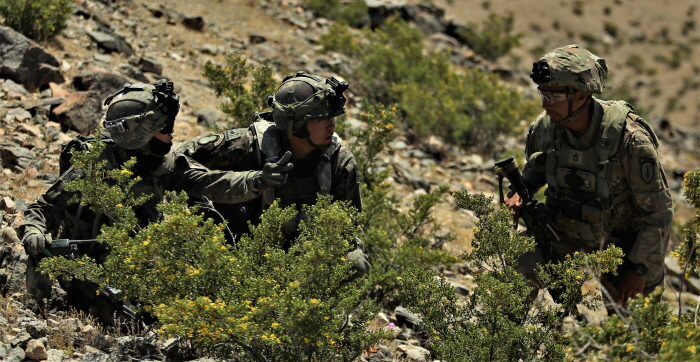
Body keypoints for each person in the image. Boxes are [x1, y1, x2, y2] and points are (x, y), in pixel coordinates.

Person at [19, 79, 258, 323]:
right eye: (164, 127)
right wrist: (35, 234)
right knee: (134, 323)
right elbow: (44, 209)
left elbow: (212, 182)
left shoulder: (163, 165)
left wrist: (257, 181)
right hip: (86, 268)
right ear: (139, 133)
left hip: (136, 268)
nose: (171, 132)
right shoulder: (94, 162)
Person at [505, 44, 673, 311]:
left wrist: (639, 268)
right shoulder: (544, 128)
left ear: (581, 95)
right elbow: (537, 167)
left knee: (635, 323)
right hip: (562, 232)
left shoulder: (629, 140)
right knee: (513, 275)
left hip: (623, 246)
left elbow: (658, 213)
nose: (544, 103)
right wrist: (521, 190)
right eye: (542, 93)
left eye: (554, 95)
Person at [169, 71, 369, 277]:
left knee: (354, 263)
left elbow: (348, 225)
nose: (332, 125)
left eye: (332, 117)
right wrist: (247, 183)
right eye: (322, 118)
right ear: (295, 123)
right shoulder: (248, 144)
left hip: (304, 254)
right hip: (244, 242)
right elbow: (177, 163)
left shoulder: (339, 160)